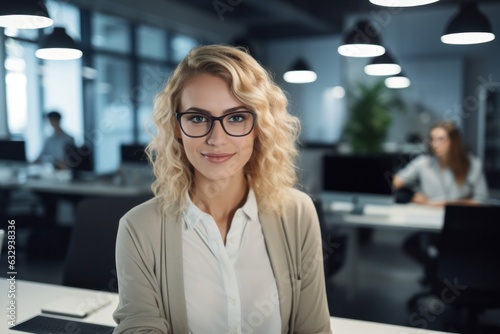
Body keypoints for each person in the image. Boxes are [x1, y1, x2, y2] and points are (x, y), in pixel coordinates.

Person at [113, 45, 331, 334]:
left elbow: (313, 329)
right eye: (198, 118)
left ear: (259, 126)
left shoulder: (297, 212)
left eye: (237, 117)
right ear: (177, 126)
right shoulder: (138, 228)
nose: (217, 139)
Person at [393, 120, 489, 284]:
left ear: (454, 141)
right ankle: (439, 277)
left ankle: (445, 279)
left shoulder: (472, 165)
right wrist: (412, 194)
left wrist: (435, 203)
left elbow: (481, 201)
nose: (435, 144)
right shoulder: (424, 163)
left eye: (441, 139)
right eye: (432, 139)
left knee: (458, 252)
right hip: (431, 225)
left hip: (461, 226)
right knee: (412, 246)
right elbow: (396, 181)